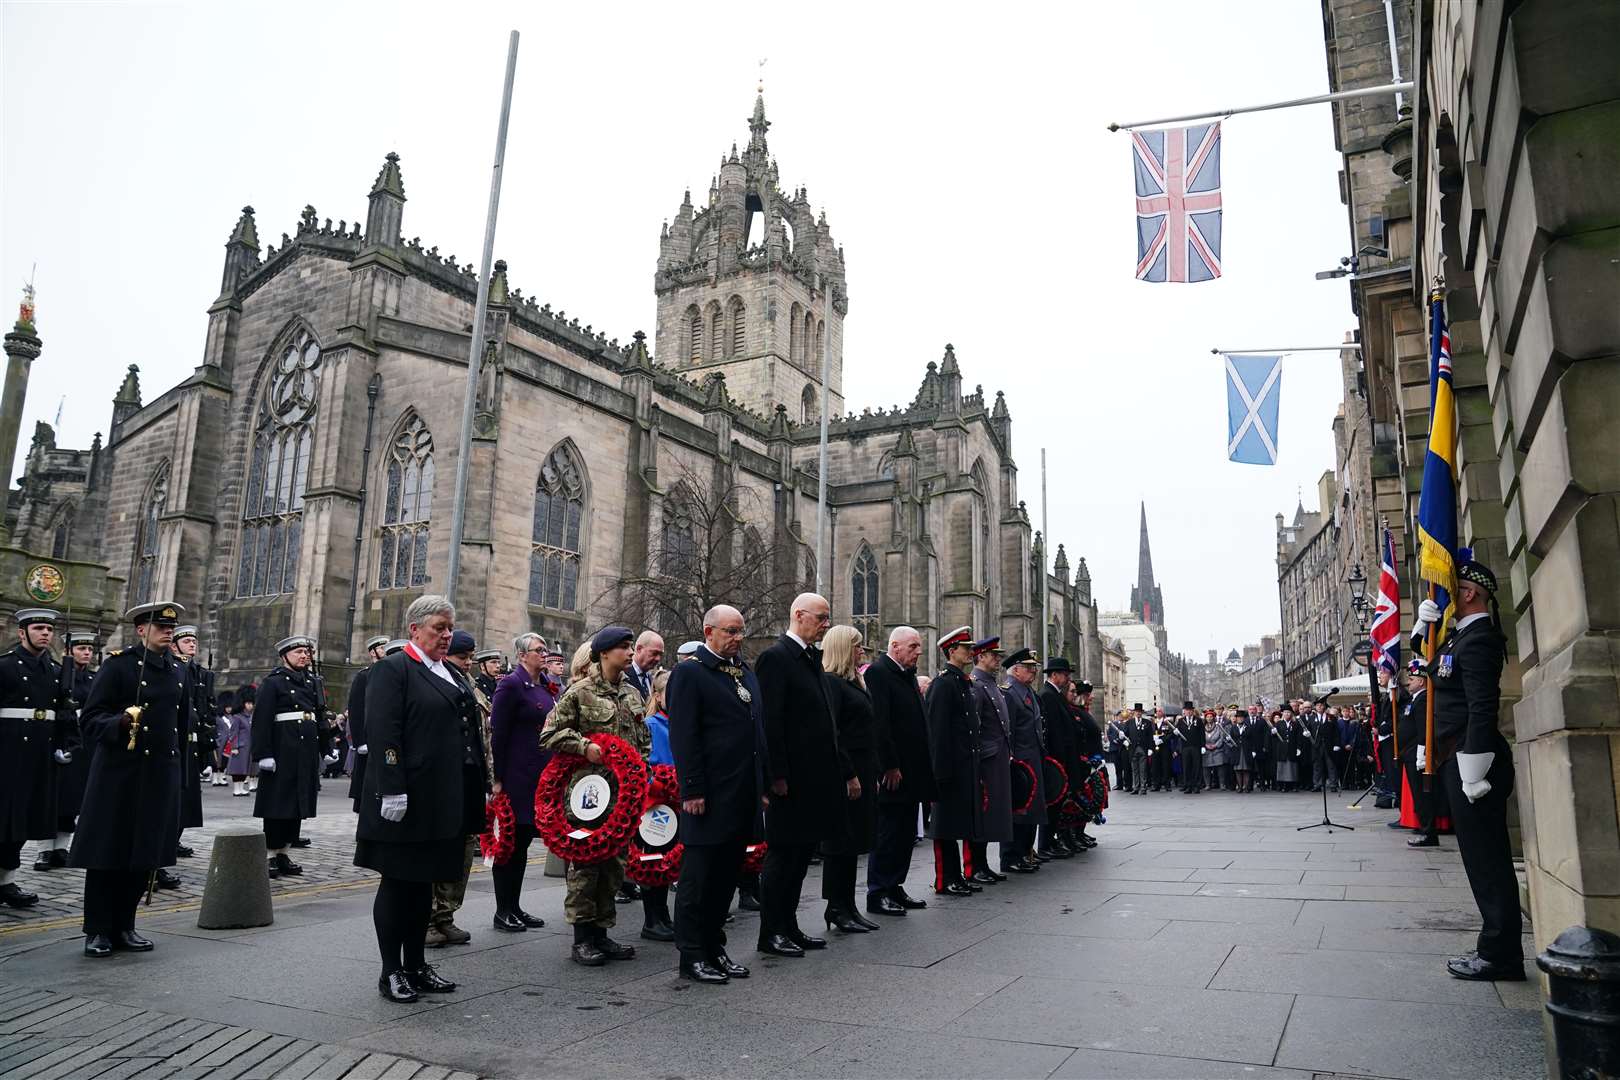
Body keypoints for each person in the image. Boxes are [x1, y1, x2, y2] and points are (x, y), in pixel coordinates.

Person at [355, 594, 473, 1003]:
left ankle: (416, 964)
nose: (446, 635)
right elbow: (384, 730)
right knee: (398, 885)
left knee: (424, 886)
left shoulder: (450, 673)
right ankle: (392, 971)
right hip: (405, 797)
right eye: (439, 628)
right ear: (414, 629)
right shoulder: (394, 669)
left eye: (449, 628)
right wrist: (391, 786)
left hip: (440, 799)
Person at [1409, 561, 1522, 981]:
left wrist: (1475, 766)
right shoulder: (1459, 638)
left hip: (1474, 761)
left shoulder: (1480, 640)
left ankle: (1500, 954)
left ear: (1470, 592)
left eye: (1451, 589)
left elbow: (1481, 708)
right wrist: (1422, 631)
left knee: (1488, 860)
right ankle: (1497, 946)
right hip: (1455, 758)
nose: (1445, 596)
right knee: (1479, 860)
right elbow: (1429, 672)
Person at [70, 602, 190, 956]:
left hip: (158, 774)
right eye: (160, 627)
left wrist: (180, 769)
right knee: (108, 852)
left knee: (144, 852)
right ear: (141, 629)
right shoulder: (118, 666)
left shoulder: (177, 669)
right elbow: (90, 718)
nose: (168, 632)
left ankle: (125, 924)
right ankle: (97, 930)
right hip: (119, 774)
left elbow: (180, 726)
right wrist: (119, 722)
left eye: (171, 627)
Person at [540, 626, 650, 966]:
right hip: (588, 795)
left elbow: (642, 739)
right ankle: (582, 938)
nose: (630, 653)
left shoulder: (631, 693)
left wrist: (642, 771)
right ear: (604, 653)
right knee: (586, 867)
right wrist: (584, 747)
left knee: (614, 866)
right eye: (624, 648)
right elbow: (549, 735)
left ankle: (603, 932)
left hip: (622, 798)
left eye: (631, 648)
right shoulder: (580, 692)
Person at [664, 605, 762, 984]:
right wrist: (692, 787)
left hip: (741, 790)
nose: (738, 638)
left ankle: (714, 945)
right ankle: (692, 953)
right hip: (708, 793)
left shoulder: (742, 672)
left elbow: (757, 732)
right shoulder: (690, 673)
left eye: (741, 631)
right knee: (699, 877)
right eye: (730, 631)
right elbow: (684, 735)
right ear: (709, 631)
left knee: (726, 875)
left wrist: (763, 783)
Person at [755, 593, 851, 956]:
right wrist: (776, 774)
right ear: (799, 615)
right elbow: (772, 722)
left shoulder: (810, 657)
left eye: (827, 618)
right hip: (791, 779)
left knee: (799, 858)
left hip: (815, 778)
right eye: (821, 617)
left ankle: (789, 925)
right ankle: (771, 930)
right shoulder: (776, 658)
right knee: (782, 857)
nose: (826, 624)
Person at [0, 608, 73, 908]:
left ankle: (6, 881)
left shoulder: (55, 671)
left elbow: (65, 713)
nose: (45, 633)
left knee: (24, 822)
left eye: (49, 629)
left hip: (40, 755)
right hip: (8, 753)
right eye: (39, 628)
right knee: (5, 820)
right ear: (22, 633)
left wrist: (67, 744)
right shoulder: (5, 667)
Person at [861, 626, 934, 916]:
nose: (918, 651)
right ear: (895, 646)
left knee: (905, 834)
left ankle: (895, 886)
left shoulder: (904, 675)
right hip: (895, 772)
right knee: (889, 832)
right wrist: (888, 765)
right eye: (913, 646)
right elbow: (880, 724)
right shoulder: (879, 673)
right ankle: (878, 891)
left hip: (912, 770)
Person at [428, 630, 494, 948]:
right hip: (447, 777)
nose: (467, 663)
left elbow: (482, 736)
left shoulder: (470, 686)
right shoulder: (439, 681)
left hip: (470, 775)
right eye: (462, 657)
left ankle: (447, 915)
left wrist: (487, 778)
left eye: (470, 657)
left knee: (465, 847)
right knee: (442, 847)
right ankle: (428, 918)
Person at [488, 632, 555, 933]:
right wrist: (497, 779)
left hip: (538, 776)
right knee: (510, 844)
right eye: (538, 650)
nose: (544, 654)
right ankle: (503, 910)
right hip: (515, 776)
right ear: (521, 655)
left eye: (545, 650)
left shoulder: (544, 687)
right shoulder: (511, 685)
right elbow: (497, 735)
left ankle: (515, 906)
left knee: (524, 842)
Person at [819, 625, 879, 933]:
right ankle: (836, 906)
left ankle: (848, 904)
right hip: (846, 773)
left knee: (854, 841)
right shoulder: (831, 683)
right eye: (856, 647)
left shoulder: (854, 682)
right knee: (840, 843)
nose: (862, 652)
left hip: (863, 769)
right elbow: (834, 734)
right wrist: (849, 774)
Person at [252, 636, 327, 878]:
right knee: (277, 804)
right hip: (282, 750)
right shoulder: (273, 683)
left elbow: (319, 716)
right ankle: (270, 855)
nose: (304, 656)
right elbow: (261, 720)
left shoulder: (311, 682)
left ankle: (284, 851)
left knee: (297, 803)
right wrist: (263, 753)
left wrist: (326, 748)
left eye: (306, 652)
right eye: (298, 653)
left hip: (304, 752)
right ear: (285, 656)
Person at [35, 630, 96, 871]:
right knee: (52, 799)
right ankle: (44, 850)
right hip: (60, 739)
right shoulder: (58, 674)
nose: (87, 653)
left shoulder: (93, 679)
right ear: (68, 652)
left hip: (84, 743)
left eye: (89, 649)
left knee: (73, 800)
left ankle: (62, 848)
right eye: (82, 649)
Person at [925, 627, 980, 896]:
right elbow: (937, 732)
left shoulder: (961, 682)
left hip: (963, 765)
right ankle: (945, 878)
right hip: (949, 768)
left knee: (959, 822)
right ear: (951, 651)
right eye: (965, 648)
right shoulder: (944, 683)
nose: (970, 651)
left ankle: (956, 874)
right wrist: (940, 773)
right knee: (945, 826)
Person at [966, 637, 1012, 885]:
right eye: (994, 656)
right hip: (986, 758)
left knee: (992, 814)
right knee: (983, 814)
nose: (998, 660)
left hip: (997, 756)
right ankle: (974, 866)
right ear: (980, 656)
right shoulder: (976, 685)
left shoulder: (990, 685)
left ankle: (982, 864)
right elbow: (975, 727)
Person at [636, 668, 677, 941]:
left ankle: (663, 915)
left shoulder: (680, 724)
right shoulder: (651, 725)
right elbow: (645, 764)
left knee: (668, 861)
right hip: (655, 803)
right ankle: (652, 919)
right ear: (659, 696)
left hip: (676, 802)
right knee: (653, 859)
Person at [999, 648, 1046, 874]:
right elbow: (1009, 731)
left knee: (1032, 809)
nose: (1034, 671)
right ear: (1015, 670)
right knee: (1018, 810)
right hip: (1020, 759)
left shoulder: (1026, 691)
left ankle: (1025, 851)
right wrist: (1011, 759)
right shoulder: (1010, 693)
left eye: (1034, 667)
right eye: (1029, 668)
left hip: (1032, 757)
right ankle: (1011, 856)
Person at [172, 625, 214, 862]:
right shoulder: (175, 668)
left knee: (187, 798)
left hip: (193, 743)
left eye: (193, 642)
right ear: (174, 645)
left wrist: (208, 751)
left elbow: (207, 709)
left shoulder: (199, 673)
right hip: (175, 741)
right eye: (186, 641)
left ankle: (175, 839)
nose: (191, 645)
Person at [1036, 658, 1079, 855]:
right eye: (1064, 673)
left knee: (1058, 805)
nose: (1067, 677)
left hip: (1064, 759)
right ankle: (1045, 844)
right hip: (1057, 759)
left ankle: (1051, 841)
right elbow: (1054, 731)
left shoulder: (1056, 694)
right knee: (1053, 804)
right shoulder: (1048, 695)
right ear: (1054, 675)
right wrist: (1059, 762)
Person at [347, 635, 389, 813]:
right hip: (367, 738)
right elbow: (356, 709)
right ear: (373, 652)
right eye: (382, 648)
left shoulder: (392, 674)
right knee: (364, 784)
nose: (385, 651)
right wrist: (360, 741)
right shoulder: (364, 676)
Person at [225, 685, 256, 796]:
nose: (250, 706)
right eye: (248, 703)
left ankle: (241, 788)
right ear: (243, 704)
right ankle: (236, 789)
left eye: (251, 703)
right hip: (240, 747)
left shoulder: (250, 717)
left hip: (248, 747)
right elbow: (233, 733)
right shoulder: (237, 717)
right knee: (237, 769)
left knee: (244, 769)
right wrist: (234, 747)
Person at [1127, 704, 1152, 796]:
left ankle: (1143, 787)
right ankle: (1136, 787)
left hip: (1143, 748)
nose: (1138, 713)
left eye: (1139, 712)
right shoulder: (1129, 722)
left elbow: (1150, 737)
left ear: (1142, 713)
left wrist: (1150, 748)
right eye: (1137, 711)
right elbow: (1125, 735)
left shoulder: (1147, 723)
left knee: (1143, 769)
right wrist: (1124, 740)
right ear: (1134, 712)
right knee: (1135, 769)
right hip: (1133, 749)